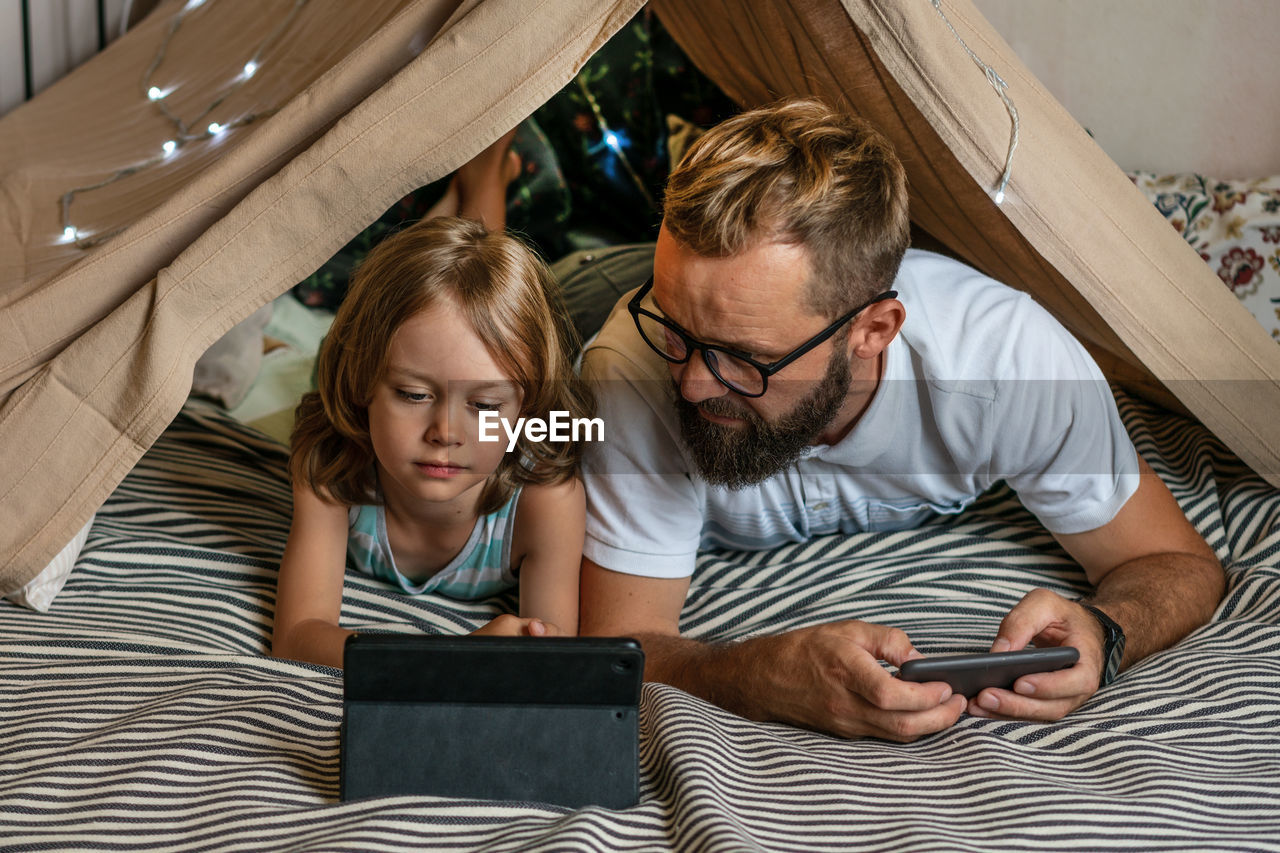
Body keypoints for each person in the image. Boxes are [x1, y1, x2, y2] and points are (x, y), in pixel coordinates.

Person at [576, 98, 1224, 740]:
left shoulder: (1007, 357)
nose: (690, 384)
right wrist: (751, 673)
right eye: (674, 329)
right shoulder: (629, 367)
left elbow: (1175, 560)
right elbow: (619, 643)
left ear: (874, 330)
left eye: (746, 358)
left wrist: (1109, 629)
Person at [272, 200, 593, 668]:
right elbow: (297, 637)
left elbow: (551, 656)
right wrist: (453, 659)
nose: (445, 433)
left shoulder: (545, 502)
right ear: (364, 386)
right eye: (413, 394)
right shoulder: (332, 464)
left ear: (528, 408)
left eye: (484, 405)